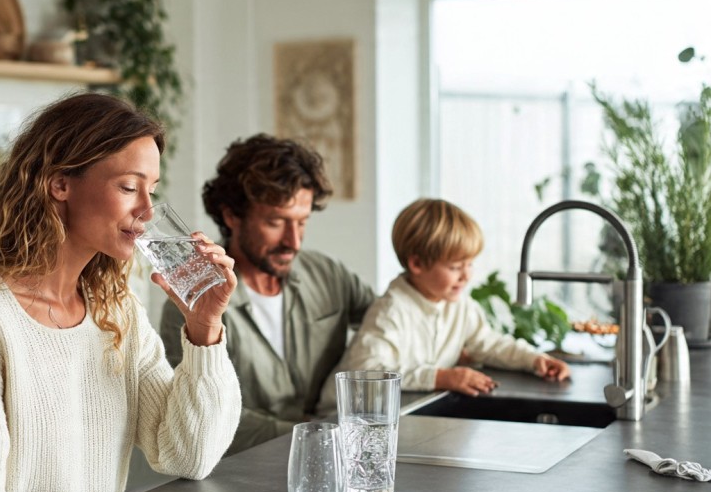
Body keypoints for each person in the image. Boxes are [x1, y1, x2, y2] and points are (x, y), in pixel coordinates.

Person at [0, 92, 242, 492]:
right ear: (60, 183)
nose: (146, 211)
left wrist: (204, 328)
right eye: (128, 187)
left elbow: (187, 455)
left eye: (151, 190)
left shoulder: (115, 311)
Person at [160, 134, 376, 454]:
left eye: (302, 223)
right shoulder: (191, 301)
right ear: (232, 215)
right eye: (276, 222)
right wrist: (313, 434)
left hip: (332, 465)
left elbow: (388, 324)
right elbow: (195, 413)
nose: (294, 242)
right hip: (240, 480)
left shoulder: (329, 275)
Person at [318, 198, 570, 411]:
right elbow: (366, 371)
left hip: (401, 412)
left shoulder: (458, 305)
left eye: (469, 264)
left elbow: (489, 343)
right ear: (416, 264)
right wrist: (440, 377)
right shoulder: (391, 310)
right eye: (455, 267)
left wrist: (534, 360)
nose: (466, 275)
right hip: (345, 420)